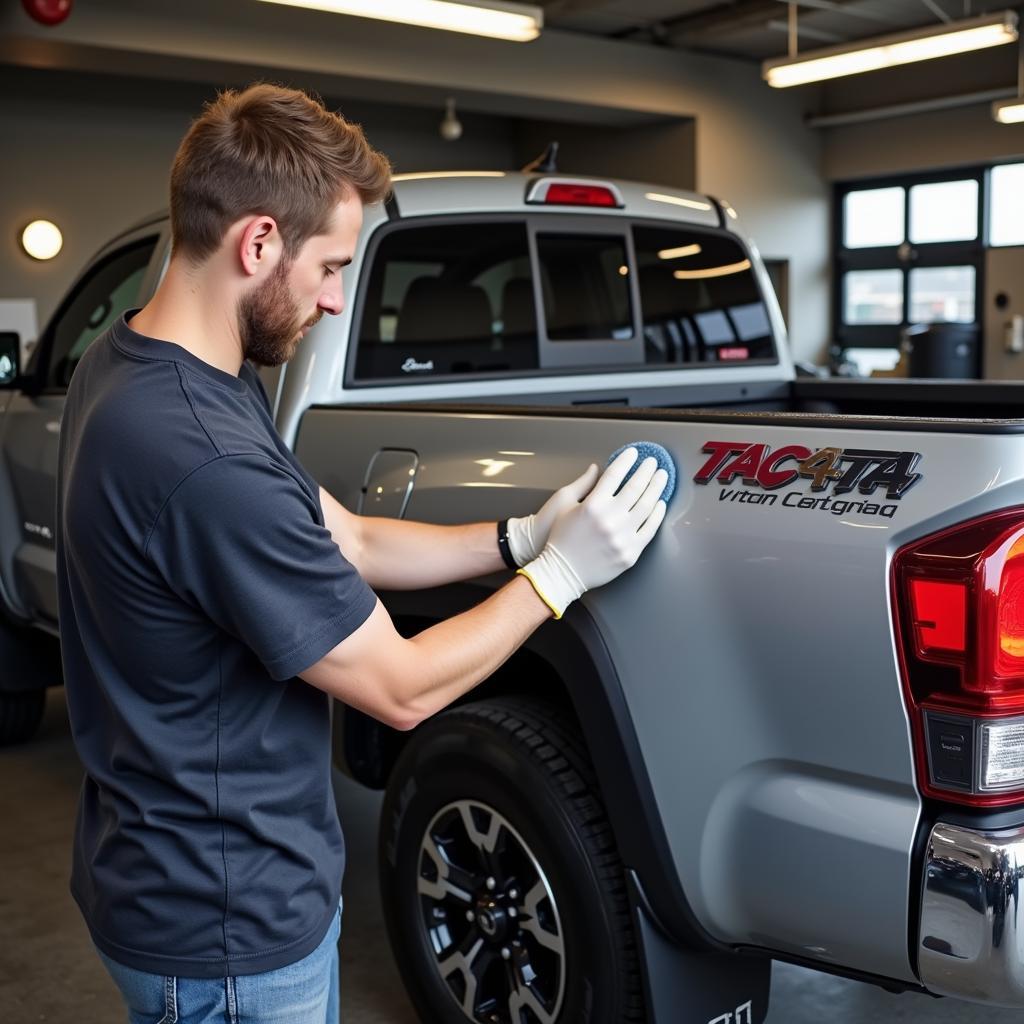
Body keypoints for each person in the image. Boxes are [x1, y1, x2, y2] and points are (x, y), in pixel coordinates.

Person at [55, 83, 668, 1024]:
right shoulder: (202, 456)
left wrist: (515, 540)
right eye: (332, 266)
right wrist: (561, 578)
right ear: (258, 243)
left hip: (159, 870)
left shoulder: (146, 364)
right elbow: (403, 686)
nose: (338, 300)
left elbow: (345, 534)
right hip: (226, 927)